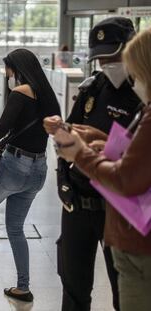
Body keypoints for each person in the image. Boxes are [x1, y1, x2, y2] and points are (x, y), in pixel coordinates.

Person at [43, 17, 141, 311]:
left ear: (130, 49)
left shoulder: (142, 94)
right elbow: (72, 130)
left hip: (118, 210)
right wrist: (62, 133)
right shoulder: (92, 89)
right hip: (78, 203)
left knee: (124, 291)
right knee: (73, 286)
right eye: (100, 58)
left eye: (113, 55)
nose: (106, 63)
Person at [0, 48, 61, 304]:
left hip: (15, 167)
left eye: (8, 69)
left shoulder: (20, 93)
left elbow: (3, 126)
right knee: (16, 228)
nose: (7, 75)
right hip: (39, 170)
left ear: (16, 69)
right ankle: (22, 287)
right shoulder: (47, 94)